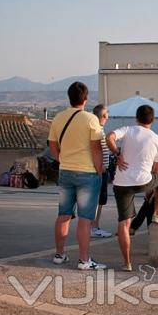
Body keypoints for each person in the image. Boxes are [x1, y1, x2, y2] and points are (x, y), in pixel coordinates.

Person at [48, 82, 107, 270]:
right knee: (85, 218)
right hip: (87, 173)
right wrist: (100, 170)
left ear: (69, 97)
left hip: (65, 172)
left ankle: (59, 254)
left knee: (63, 214)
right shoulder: (91, 119)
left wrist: (64, 160)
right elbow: (96, 150)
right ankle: (84, 260)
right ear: (86, 98)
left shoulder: (58, 118)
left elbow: (52, 148)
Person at [106, 105, 158, 271]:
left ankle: (127, 262)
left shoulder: (128, 130)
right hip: (143, 181)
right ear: (153, 120)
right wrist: (151, 187)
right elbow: (157, 168)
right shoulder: (156, 139)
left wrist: (117, 154)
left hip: (121, 183)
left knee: (124, 224)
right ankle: (157, 212)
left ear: (136, 118)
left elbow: (110, 137)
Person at [88, 104, 113, 238]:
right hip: (99, 171)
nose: (107, 118)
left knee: (100, 200)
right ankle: (94, 227)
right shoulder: (97, 130)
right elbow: (95, 150)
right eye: (105, 115)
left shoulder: (99, 130)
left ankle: (94, 226)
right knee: (98, 200)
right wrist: (100, 168)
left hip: (101, 170)